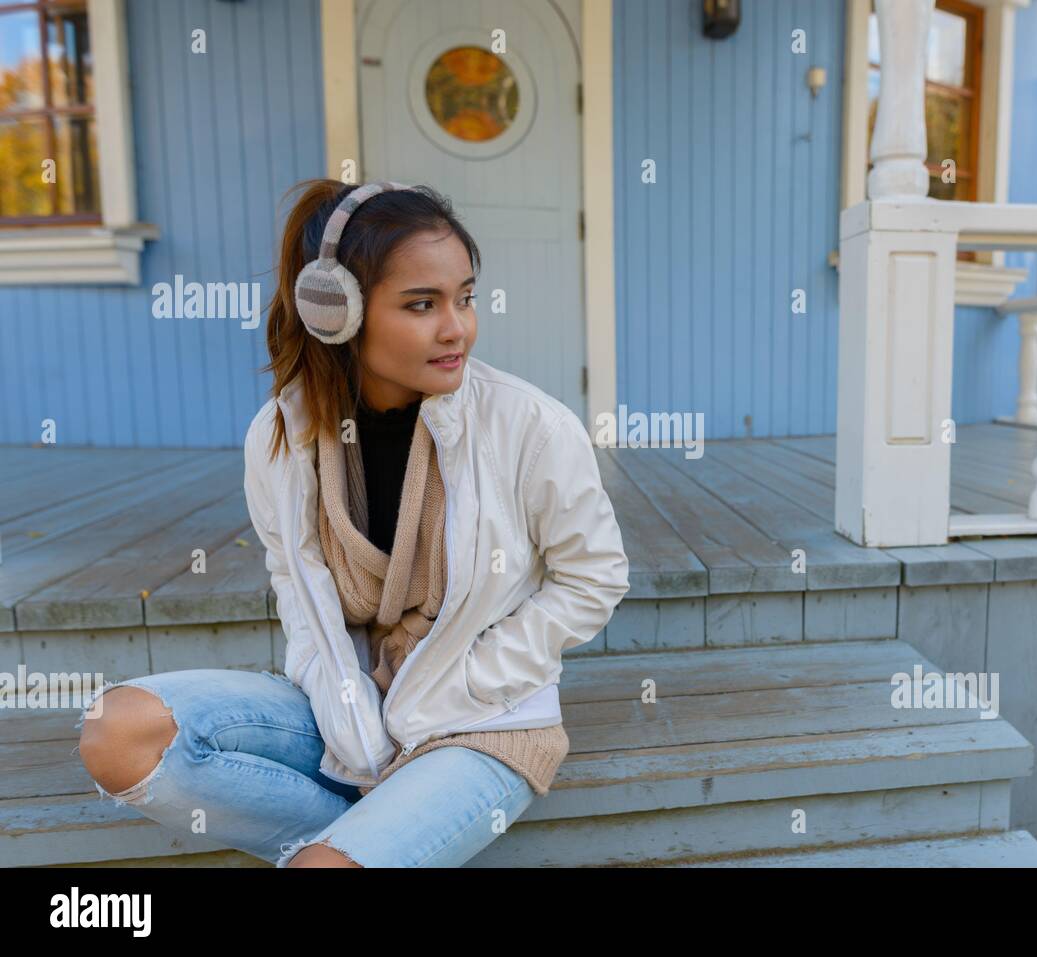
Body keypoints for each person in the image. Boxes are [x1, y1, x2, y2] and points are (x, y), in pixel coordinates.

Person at [75, 179, 630, 867]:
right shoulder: (280, 438)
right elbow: (295, 584)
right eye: (421, 305)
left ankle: (345, 847)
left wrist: (480, 676)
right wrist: (343, 704)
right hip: (346, 713)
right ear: (336, 311)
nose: (457, 326)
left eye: (464, 296)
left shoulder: (529, 425)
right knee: (116, 730)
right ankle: (353, 834)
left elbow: (593, 577)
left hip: (482, 721)